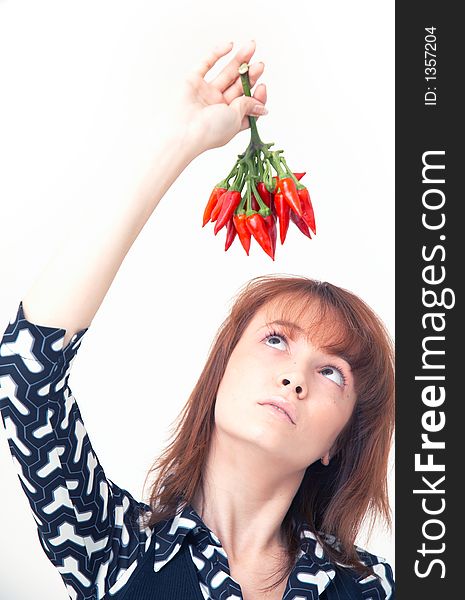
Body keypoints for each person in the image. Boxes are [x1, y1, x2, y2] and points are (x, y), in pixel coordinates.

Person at [0, 41, 395, 599]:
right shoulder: (115, 549)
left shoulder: (375, 588)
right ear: (220, 375)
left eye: (333, 372)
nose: (295, 378)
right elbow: (26, 372)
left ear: (338, 441)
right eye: (277, 339)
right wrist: (178, 142)